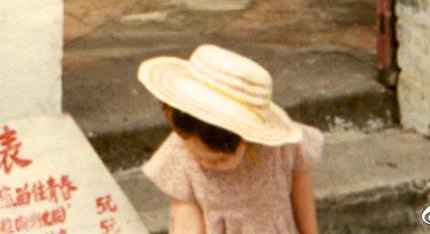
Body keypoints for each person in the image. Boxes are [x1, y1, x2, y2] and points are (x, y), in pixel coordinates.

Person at [137, 44, 323, 234]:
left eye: (219, 159)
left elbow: (299, 182)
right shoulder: (180, 152)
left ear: (248, 139)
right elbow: (185, 220)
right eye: (196, 155)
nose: (204, 163)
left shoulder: (281, 149)